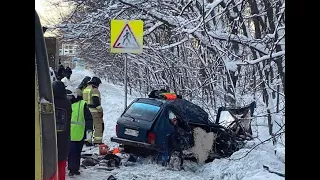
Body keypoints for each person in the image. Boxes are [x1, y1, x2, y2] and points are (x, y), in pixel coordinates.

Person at [67, 90, 93, 176]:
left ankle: (75, 168)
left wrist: (89, 135)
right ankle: (72, 169)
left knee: (77, 152)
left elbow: (88, 119)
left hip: (78, 133)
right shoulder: (67, 103)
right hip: (70, 133)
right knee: (72, 152)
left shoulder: (82, 104)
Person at [52, 81, 72, 180]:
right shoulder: (67, 103)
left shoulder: (50, 102)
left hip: (50, 137)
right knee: (61, 165)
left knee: (50, 165)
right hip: (64, 137)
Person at [82, 77, 104, 145]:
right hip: (94, 111)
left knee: (89, 126)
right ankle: (97, 141)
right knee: (99, 125)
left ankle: (87, 140)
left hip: (86, 110)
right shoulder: (94, 90)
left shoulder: (86, 89)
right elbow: (96, 101)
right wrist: (100, 110)